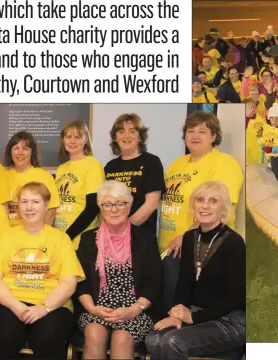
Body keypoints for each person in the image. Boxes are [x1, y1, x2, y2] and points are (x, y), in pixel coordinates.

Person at [0, 182, 85, 359]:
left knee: (48, 339)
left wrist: (43, 309)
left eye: (35, 202)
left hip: (52, 305)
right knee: (5, 337)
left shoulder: (61, 238)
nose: (29, 207)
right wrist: (16, 306)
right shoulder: (6, 236)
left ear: (47, 206)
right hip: (6, 302)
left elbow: (69, 282)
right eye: (24, 202)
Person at [146, 182, 245, 360]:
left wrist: (193, 317)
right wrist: (177, 315)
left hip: (232, 319)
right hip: (197, 313)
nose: (205, 206)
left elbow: (235, 298)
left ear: (224, 209)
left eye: (213, 201)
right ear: (193, 206)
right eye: (200, 200)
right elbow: (184, 283)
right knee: (153, 339)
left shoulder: (234, 242)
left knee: (173, 342)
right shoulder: (190, 237)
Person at [159, 112, 243, 313]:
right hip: (167, 247)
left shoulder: (224, 163)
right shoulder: (177, 164)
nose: (195, 135)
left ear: (214, 136)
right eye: (191, 131)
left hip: (193, 247)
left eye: (202, 131)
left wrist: (188, 236)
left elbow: (220, 208)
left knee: (179, 310)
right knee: (164, 307)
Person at [75, 181, 162, 359]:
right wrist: (92, 308)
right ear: (100, 207)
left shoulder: (145, 239)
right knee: (94, 333)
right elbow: (80, 281)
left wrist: (134, 309)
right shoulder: (87, 239)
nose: (114, 209)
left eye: (120, 203)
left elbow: (154, 282)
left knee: (121, 337)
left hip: (135, 309)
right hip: (97, 308)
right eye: (107, 204)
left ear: (129, 206)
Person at [104, 114, 165, 243]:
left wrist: (125, 229)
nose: (127, 136)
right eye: (121, 131)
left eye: (132, 131)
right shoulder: (110, 167)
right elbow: (104, 204)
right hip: (113, 238)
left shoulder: (151, 162)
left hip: (142, 239)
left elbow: (151, 203)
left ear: (140, 137)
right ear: (115, 137)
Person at [54, 121, 105, 249]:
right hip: (60, 238)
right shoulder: (61, 169)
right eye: (68, 137)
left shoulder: (92, 165)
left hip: (81, 240)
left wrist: (68, 235)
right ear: (63, 140)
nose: (72, 141)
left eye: (77, 137)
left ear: (86, 139)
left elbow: (93, 207)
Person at [4, 131, 60, 226]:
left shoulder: (44, 176)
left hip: (35, 235)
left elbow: (51, 211)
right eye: (16, 148)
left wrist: (41, 237)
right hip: (10, 236)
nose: (20, 153)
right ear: (10, 152)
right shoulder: (3, 176)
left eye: (25, 148)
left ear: (32, 152)